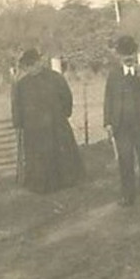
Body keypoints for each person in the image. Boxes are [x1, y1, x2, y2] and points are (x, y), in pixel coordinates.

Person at [11, 49, 84, 193]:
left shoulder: (56, 78)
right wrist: (18, 123)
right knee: (37, 158)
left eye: (33, 64)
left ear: (39, 62)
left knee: (61, 154)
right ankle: (40, 184)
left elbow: (67, 98)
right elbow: (17, 106)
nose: (31, 68)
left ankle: (66, 181)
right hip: (33, 129)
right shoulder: (21, 85)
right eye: (28, 66)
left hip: (56, 125)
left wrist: (63, 115)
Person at [103, 36, 140, 207]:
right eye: (123, 55)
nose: (127, 58)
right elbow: (108, 99)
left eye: (130, 54)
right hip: (121, 125)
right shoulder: (113, 75)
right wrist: (108, 122)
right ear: (119, 56)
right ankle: (127, 196)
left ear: (135, 54)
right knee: (125, 160)